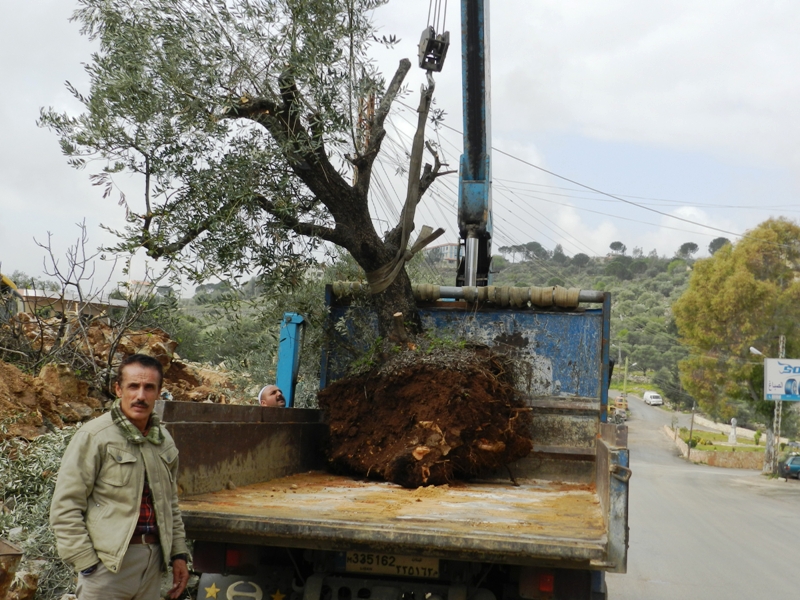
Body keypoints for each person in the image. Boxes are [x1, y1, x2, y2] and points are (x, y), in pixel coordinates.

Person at [50, 354, 190, 600]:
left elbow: (170, 505)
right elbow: (65, 506)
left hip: (153, 563)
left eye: (149, 388)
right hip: (108, 566)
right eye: (133, 386)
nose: (140, 396)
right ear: (118, 389)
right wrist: (86, 562)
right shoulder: (95, 437)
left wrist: (178, 554)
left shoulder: (164, 440)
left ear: (159, 392)